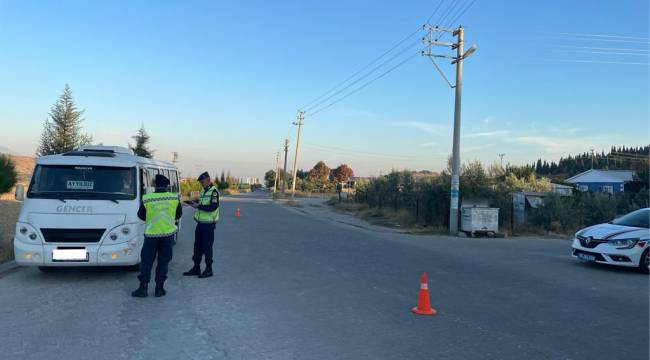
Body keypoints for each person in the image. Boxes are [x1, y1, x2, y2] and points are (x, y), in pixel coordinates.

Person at [131, 174, 182, 298]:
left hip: (151, 236)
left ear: (154, 185)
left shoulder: (147, 198)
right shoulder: (174, 198)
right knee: (163, 262)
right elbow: (178, 215)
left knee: (147, 262)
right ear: (166, 185)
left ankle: (143, 289)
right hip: (167, 236)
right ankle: (159, 289)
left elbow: (141, 215)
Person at [183, 171, 219, 278]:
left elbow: (213, 207)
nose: (201, 184)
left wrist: (198, 206)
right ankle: (196, 268)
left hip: (208, 225)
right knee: (197, 247)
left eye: (202, 182)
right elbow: (203, 202)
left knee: (207, 247)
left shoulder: (214, 192)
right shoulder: (204, 190)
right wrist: (194, 201)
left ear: (208, 180)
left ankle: (209, 269)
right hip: (200, 224)